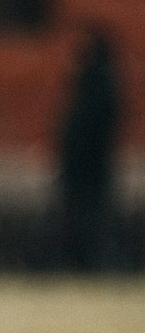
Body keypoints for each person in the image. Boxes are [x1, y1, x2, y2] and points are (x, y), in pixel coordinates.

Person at [55, 25, 125, 271]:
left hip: (88, 166)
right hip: (88, 166)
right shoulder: (96, 81)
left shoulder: (97, 82)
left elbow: (89, 127)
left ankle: (102, 265)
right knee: (85, 218)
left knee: (89, 219)